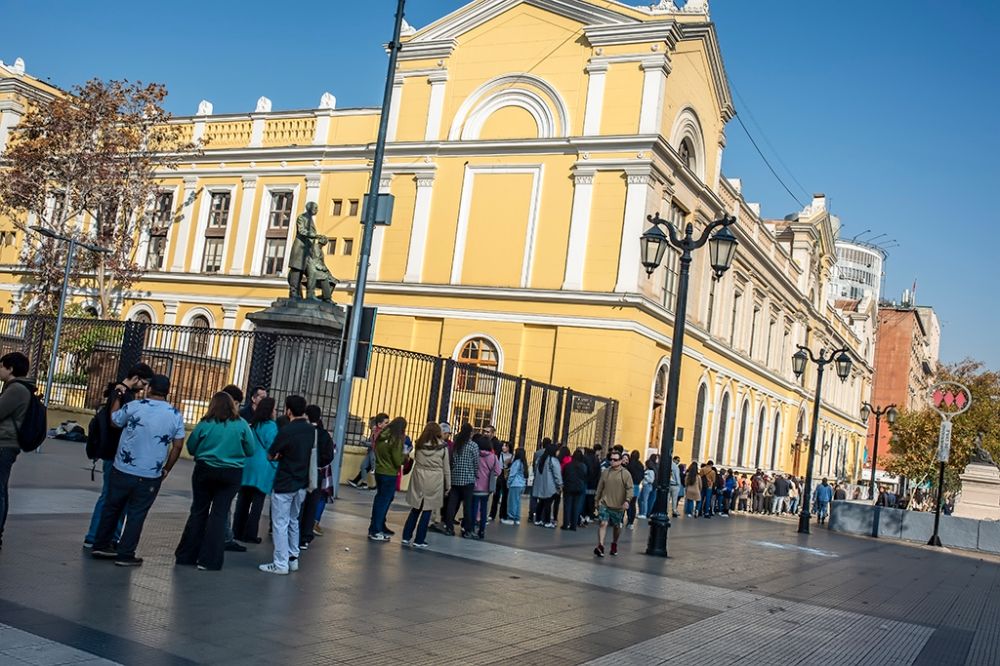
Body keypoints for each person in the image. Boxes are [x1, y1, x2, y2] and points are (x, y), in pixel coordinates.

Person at [92, 374, 185, 566]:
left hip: (123, 469)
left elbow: (114, 421)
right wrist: (166, 468)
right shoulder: (175, 415)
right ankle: (126, 554)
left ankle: (101, 544)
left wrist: (117, 397)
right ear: (168, 391)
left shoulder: (134, 406)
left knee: (112, 507)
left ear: (149, 388)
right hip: (150, 474)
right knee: (137, 514)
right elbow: (177, 446)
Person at [175, 392, 255, 571]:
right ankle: (209, 560)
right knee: (219, 514)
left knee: (198, 511)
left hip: (205, 470)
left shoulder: (205, 423)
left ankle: (187, 555)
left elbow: (191, 446)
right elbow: (250, 449)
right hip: (231, 473)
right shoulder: (241, 424)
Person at [84, 363, 153, 548]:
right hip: (114, 452)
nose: (144, 388)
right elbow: (115, 422)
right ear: (136, 377)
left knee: (110, 495)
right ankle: (98, 537)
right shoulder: (123, 394)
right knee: (110, 496)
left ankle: (99, 536)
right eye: (144, 383)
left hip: (112, 450)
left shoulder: (119, 391)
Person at [260, 395, 313, 574]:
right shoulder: (310, 430)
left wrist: (279, 455)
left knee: (280, 523)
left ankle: (280, 563)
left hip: (285, 482)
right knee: (293, 520)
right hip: (302, 483)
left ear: (288, 410)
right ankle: (293, 558)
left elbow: (271, 454)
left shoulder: (286, 430)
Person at [0, 352, 35, 550]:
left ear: (10, 368)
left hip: (4, 443)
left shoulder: (16, 390)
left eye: (1, 366)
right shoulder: (19, 388)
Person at [233, 397, 277, 544]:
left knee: (243, 499)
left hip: (248, 463)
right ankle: (250, 533)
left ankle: (237, 531)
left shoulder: (252, 424)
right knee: (257, 502)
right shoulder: (271, 426)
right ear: (270, 410)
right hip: (262, 466)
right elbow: (273, 446)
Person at [401, 422, 450, 548]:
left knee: (416, 508)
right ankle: (419, 539)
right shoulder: (443, 447)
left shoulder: (419, 444)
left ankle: (406, 536)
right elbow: (446, 468)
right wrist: (448, 485)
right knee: (427, 510)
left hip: (419, 477)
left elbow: (415, 458)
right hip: (434, 480)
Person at [299, 405, 335, 549]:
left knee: (299, 504)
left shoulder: (303, 432)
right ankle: (306, 537)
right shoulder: (325, 435)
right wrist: (319, 463)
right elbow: (330, 455)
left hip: (302, 471)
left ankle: (295, 533)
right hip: (318, 473)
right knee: (311, 505)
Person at [367, 416, 406, 542]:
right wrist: (404, 457)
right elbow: (397, 460)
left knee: (380, 500)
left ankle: (375, 527)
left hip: (379, 470)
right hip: (390, 473)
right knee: (384, 502)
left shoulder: (381, 435)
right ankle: (376, 530)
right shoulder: (396, 439)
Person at [593, 450, 633, 557]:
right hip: (605, 503)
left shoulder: (625, 474)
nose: (612, 462)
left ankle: (614, 543)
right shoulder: (606, 472)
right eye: (611, 459)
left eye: (615, 460)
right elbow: (600, 487)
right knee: (603, 523)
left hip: (618, 506)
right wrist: (596, 500)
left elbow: (630, 489)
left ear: (620, 461)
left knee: (616, 526)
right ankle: (600, 545)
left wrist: (627, 500)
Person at [445, 423, 477, 537]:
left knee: (452, 504)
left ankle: (449, 527)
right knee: (467, 506)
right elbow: (476, 463)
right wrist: (475, 474)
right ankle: (467, 530)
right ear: (470, 433)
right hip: (468, 479)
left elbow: (452, 461)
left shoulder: (456, 445)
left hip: (455, 478)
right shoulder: (473, 446)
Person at [471, 435, 502, 539]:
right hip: (486, 487)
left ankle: (471, 528)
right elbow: (498, 471)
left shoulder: (475, 455)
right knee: (484, 509)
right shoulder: (493, 457)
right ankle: (482, 530)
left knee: (474, 507)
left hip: (474, 486)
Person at [349, 413, 388, 489]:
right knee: (364, 466)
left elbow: (376, 444)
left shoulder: (382, 433)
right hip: (371, 451)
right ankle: (364, 483)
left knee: (373, 469)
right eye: (386, 423)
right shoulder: (376, 432)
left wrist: (366, 443)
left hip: (375, 452)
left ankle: (375, 485)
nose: (370, 425)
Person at [531, 440, 562, 528]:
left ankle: (538, 519)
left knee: (541, 502)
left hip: (540, 485)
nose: (558, 452)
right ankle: (547, 521)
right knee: (548, 504)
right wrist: (560, 484)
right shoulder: (553, 460)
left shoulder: (541, 459)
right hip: (550, 486)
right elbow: (557, 474)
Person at [561, 449, 587, 530]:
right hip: (579, 488)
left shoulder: (568, 465)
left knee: (567, 506)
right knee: (576, 507)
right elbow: (585, 476)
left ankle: (566, 524)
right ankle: (573, 525)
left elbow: (564, 475)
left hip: (568, 487)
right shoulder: (583, 466)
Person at [501, 447, 528, 525]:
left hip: (515, 484)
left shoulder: (517, 462)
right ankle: (517, 518)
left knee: (512, 501)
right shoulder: (524, 463)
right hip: (522, 484)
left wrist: (508, 483)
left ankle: (511, 518)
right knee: (518, 502)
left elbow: (512, 474)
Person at [489, 437, 512, 523]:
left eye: (505, 446)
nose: (503, 448)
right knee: (496, 495)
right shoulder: (499, 455)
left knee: (505, 496)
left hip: (507, 475)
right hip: (499, 474)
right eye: (503, 446)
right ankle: (492, 514)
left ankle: (503, 515)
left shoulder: (512, 456)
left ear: (509, 447)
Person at [583, 446, 601, 523]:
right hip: (594, 484)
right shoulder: (596, 460)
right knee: (591, 500)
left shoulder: (585, 459)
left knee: (585, 500)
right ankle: (591, 515)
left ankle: (584, 514)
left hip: (586, 482)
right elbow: (599, 473)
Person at [638, 455, 657, 519]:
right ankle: (642, 512)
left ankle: (644, 513)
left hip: (647, 485)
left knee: (644, 500)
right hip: (646, 485)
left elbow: (651, 480)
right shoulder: (649, 470)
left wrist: (645, 476)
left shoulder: (651, 471)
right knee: (641, 499)